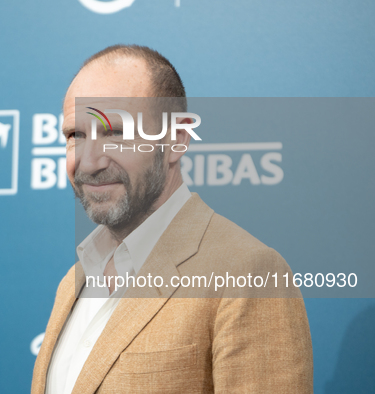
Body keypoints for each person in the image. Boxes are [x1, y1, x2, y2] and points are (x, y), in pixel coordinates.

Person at [31, 44, 313, 394]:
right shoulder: (72, 283)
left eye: (115, 132)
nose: (88, 162)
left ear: (176, 139)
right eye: (76, 135)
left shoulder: (247, 273)